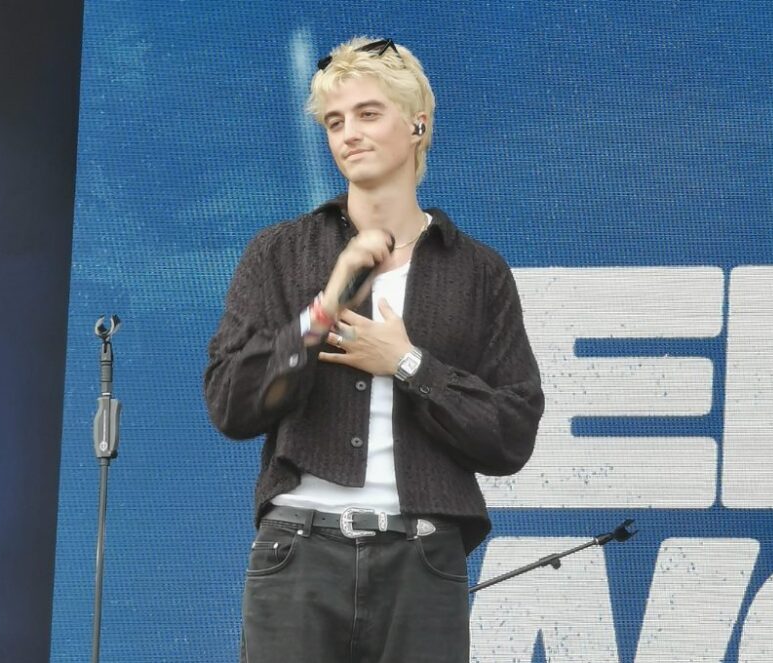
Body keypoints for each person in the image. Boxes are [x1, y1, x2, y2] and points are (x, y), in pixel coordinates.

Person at [203, 36, 544, 663]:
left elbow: (512, 431)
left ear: (417, 123)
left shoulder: (478, 272)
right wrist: (323, 308)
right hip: (297, 550)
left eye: (367, 114)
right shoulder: (280, 252)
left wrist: (410, 365)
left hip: (422, 559)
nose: (348, 134)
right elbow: (232, 405)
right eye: (335, 122)